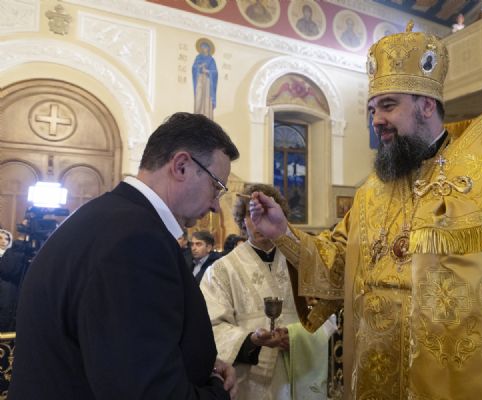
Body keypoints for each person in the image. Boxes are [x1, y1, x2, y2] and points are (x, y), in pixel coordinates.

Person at [248, 22, 482, 399]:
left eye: (388, 105)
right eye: (372, 109)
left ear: (426, 105)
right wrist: (283, 233)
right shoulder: (371, 192)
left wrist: (477, 273)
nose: (376, 120)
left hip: (459, 380)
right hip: (378, 377)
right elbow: (339, 264)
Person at [10, 112, 240, 399]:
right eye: (216, 187)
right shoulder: (136, 241)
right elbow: (146, 391)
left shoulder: (106, 218)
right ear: (181, 166)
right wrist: (219, 392)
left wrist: (199, 365)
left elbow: (119, 351)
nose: (216, 206)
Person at [200, 184, 332, 400]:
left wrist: (299, 336)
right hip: (249, 380)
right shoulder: (221, 270)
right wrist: (250, 340)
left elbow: (330, 313)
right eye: (252, 215)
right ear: (242, 220)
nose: (260, 222)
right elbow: (210, 327)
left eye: (267, 214)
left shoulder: (302, 263)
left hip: (300, 375)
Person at [192, 39, 218, 119]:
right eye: (202, 47)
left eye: (205, 47)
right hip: (199, 80)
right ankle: (197, 116)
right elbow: (194, 68)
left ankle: (207, 117)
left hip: (208, 81)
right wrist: (200, 67)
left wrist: (207, 71)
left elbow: (215, 72)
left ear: (208, 49)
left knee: (207, 98)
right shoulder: (198, 58)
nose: (204, 49)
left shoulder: (211, 60)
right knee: (199, 96)